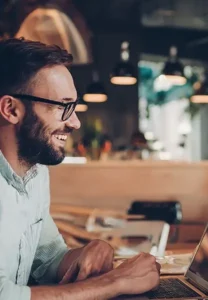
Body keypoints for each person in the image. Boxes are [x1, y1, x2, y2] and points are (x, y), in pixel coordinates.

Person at [0, 38, 160, 299]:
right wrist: (115, 282)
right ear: (11, 109)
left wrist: (91, 251)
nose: (74, 122)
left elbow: (49, 260)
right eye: (63, 107)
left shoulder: (35, 173)